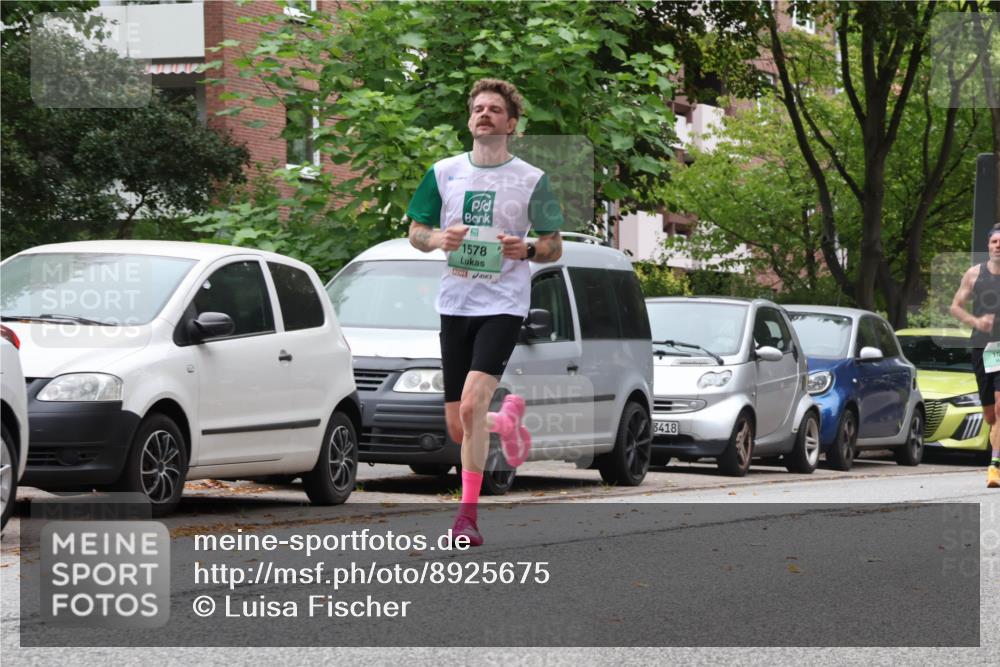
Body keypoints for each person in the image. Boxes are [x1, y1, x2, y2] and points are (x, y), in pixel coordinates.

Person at [406, 79, 564, 545]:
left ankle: (467, 518)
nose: (485, 114)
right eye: (478, 108)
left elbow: (554, 245)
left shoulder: (533, 179)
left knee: (473, 404)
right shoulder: (444, 172)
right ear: (469, 119)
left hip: (503, 305)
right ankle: (506, 421)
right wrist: (438, 240)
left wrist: (528, 248)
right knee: (460, 425)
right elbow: (417, 231)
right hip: (455, 304)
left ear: (510, 124)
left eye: (495, 109)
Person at [950, 222, 1000, 488]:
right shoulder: (973, 274)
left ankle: (994, 466)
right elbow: (956, 306)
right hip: (984, 347)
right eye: (994, 242)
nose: (998, 246)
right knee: (990, 414)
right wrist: (976, 321)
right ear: (988, 246)